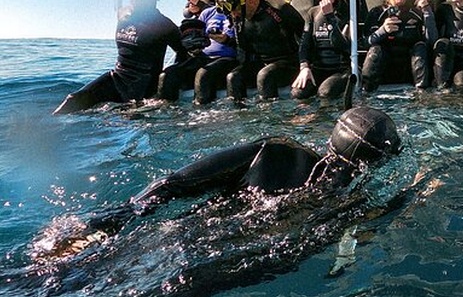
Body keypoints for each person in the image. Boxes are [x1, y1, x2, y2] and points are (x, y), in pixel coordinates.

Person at [34, 98, 401, 262]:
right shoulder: (354, 202)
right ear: (379, 162)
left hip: (180, 236)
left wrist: (120, 217)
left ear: (332, 134)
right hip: (231, 259)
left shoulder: (275, 150)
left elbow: (176, 183)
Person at [54, 0, 187, 114]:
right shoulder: (124, 14)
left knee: (121, 121)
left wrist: (167, 80)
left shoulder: (163, 25)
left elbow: (183, 52)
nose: (132, 0)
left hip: (142, 87)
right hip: (116, 77)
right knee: (73, 100)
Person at [156, 0, 238, 104]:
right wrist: (192, 42)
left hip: (227, 59)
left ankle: (201, 117)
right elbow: (195, 36)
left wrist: (227, 40)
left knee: (203, 75)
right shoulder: (207, 13)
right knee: (167, 74)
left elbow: (247, 45)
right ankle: (164, 116)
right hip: (203, 57)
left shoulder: (239, 13)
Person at [221, 0, 305, 101]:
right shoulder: (237, 17)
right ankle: (239, 116)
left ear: (250, 0)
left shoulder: (278, 8)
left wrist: (306, 66)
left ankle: (269, 119)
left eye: (237, 10)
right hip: (261, 63)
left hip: (289, 63)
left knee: (265, 75)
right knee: (233, 77)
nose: (235, 15)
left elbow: (304, 37)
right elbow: (243, 48)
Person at [361, 0, 437, 92]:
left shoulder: (417, 13)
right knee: (376, 49)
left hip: (411, 72)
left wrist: (427, 12)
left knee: (420, 46)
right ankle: (367, 93)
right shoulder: (376, 13)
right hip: (384, 72)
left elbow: (432, 42)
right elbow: (364, 43)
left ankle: (422, 96)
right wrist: (383, 31)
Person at [292, 0, 353, 99]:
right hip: (319, 69)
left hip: (341, 70)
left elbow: (344, 47)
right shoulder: (313, 12)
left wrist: (330, 17)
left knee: (325, 93)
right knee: (298, 93)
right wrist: (304, 67)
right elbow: (304, 44)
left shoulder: (348, 11)